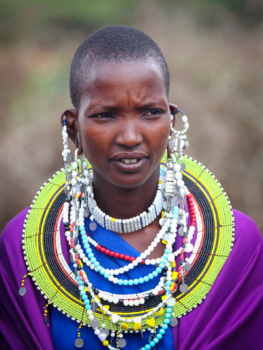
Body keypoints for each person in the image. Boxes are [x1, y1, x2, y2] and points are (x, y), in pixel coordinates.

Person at [0, 26, 263, 350]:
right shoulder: (22, 248)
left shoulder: (237, 246)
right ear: (73, 127)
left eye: (151, 113)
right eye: (105, 115)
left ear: (172, 119)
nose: (129, 137)